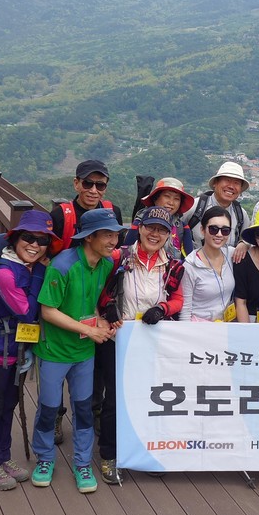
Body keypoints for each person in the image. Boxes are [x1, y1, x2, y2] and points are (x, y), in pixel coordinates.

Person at [31, 207, 122, 494]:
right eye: (107, 235)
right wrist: (90, 330)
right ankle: (44, 459)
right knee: (48, 408)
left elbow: (91, 303)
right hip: (54, 351)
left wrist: (100, 320)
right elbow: (48, 311)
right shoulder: (62, 265)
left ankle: (82, 463)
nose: (113, 241)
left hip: (83, 352)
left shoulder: (105, 264)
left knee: (83, 409)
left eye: (115, 235)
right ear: (89, 237)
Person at [95, 205, 185, 485]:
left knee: (150, 397)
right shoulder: (118, 257)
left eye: (161, 230)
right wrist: (107, 307)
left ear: (169, 234)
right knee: (114, 399)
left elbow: (178, 299)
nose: (155, 234)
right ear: (140, 228)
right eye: (150, 228)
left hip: (152, 342)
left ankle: (146, 450)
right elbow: (99, 289)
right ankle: (109, 455)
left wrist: (162, 308)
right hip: (118, 338)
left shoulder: (172, 264)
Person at [0, 210, 55, 491]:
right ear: (16, 239)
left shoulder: (24, 267)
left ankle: (2, 456)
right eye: (29, 238)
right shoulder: (5, 273)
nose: (35, 245)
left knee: (9, 403)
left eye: (42, 241)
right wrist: (40, 270)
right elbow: (27, 312)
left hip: (16, 349)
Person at [47, 159, 125, 444]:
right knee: (55, 363)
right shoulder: (61, 214)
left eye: (100, 184)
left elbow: (114, 254)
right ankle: (56, 415)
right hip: (60, 293)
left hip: (94, 296)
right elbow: (45, 251)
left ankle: (92, 413)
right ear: (76, 183)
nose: (94, 190)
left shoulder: (111, 211)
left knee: (93, 365)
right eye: (88, 183)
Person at [180, 206, 236, 321]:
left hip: (225, 325)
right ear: (202, 230)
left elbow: (255, 249)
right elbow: (185, 311)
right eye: (213, 229)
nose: (219, 234)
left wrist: (243, 244)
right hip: (199, 327)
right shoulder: (191, 265)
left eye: (225, 230)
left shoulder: (231, 254)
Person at [181, 162, 251, 251]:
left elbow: (247, 239)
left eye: (236, 183)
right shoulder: (195, 207)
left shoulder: (241, 215)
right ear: (215, 183)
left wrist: (244, 243)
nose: (231, 186)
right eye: (227, 180)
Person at [137, 177, 196, 260]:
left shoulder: (182, 228)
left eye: (176, 199)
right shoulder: (140, 222)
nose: (171, 203)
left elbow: (188, 260)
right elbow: (128, 253)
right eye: (167, 196)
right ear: (155, 198)